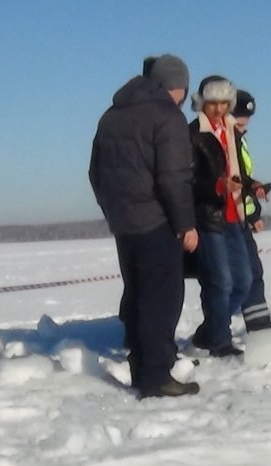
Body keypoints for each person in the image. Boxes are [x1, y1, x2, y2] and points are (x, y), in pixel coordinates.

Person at [89, 54, 200, 399]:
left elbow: (96, 173)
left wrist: (115, 212)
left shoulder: (111, 116)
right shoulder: (168, 117)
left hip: (125, 225)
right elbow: (174, 179)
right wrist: (186, 225)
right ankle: (157, 376)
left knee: (138, 297)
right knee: (160, 301)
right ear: (176, 86)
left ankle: (143, 369)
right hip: (157, 223)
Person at [188, 75, 253, 357]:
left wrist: (252, 187)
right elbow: (187, 180)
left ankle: (211, 330)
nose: (219, 109)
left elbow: (237, 172)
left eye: (224, 103)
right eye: (213, 103)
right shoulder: (192, 134)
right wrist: (216, 186)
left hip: (233, 215)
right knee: (221, 282)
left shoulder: (232, 132)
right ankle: (219, 341)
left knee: (243, 281)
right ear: (202, 103)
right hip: (208, 217)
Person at [232, 90, 271, 332]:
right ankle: (215, 331)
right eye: (238, 116)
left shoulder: (239, 139)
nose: (243, 122)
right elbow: (233, 181)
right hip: (228, 220)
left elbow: (242, 181)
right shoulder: (226, 141)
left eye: (246, 117)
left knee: (252, 273)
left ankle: (259, 326)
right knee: (242, 276)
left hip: (241, 217)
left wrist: (253, 212)